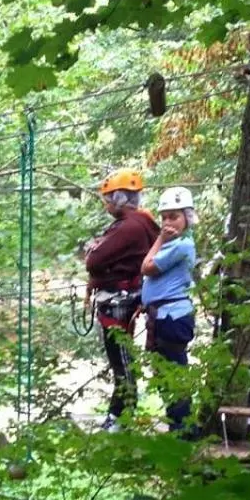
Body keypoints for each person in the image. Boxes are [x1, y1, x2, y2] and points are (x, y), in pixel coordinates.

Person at [83, 169, 159, 431]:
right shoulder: (140, 222)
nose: (105, 204)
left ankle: (121, 416)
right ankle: (119, 414)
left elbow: (94, 259)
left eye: (108, 198)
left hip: (119, 301)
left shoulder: (129, 226)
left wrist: (94, 258)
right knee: (122, 358)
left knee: (121, 359)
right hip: (124, 298)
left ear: (119, 199)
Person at [141, 186, 199, 434]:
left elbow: (146, 267)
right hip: (163, 317)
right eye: (164, 217)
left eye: (173, 217)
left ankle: (184, 432)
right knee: (164, 374)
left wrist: (159, 239)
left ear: (187, 217)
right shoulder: (172, 244)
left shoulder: (181, 245)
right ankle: (178, 427)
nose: (167, 223)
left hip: (172, 318)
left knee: (173, 373)